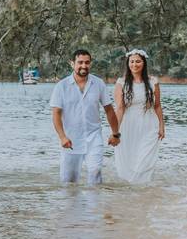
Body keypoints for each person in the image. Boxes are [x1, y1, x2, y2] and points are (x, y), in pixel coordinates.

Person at [50, 49, 121, 185]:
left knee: (95, 172)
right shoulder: (61, 86)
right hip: (71, 140)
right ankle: (72, 206)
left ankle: (94, 205)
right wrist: (62, 137)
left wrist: (115, 134)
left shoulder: (98, 83)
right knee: (69, 182)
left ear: (90, 64)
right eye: (80, 62)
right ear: (72, 63)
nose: (84, 66)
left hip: (94, 137)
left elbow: (109, 110)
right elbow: (56, 114)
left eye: (87, 62)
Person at [113, 49, 165, 184]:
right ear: (128, 63)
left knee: (145, 157)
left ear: (144, 63)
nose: (134, 64)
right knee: (129, 158)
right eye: (132, 62)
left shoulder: (153, 82)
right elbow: (119, 109)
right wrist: (115, 132)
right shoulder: (121, 82)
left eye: (138, 61)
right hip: (128, 125)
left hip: (149, 125)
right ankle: (132, 190)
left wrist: (162, 126)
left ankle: (143, 186)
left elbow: (157, 106)